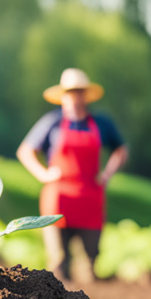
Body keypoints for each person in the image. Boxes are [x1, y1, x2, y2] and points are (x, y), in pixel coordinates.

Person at [16, 68, 128, 282]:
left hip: (90, 198)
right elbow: (25, 151)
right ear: (63, 96)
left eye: (79, 92)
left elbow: (121, 149)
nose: (75, 97)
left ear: (86, 95)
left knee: (91, 262)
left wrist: (107, 174)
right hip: (59, 199)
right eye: (70, 92)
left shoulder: (101, 123)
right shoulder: (52, 123)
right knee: (58, 262)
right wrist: (44, 174)